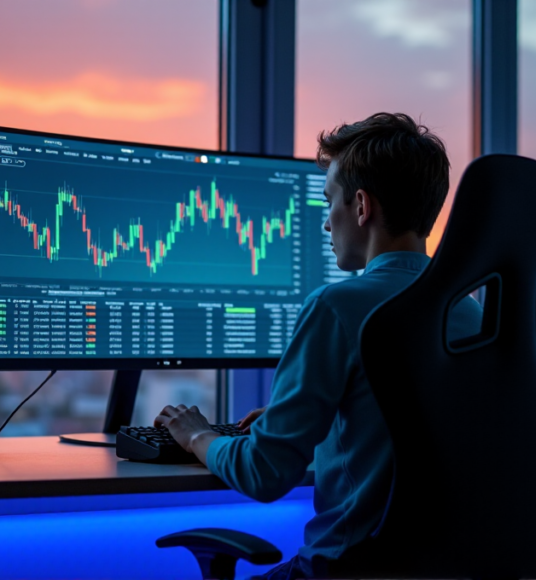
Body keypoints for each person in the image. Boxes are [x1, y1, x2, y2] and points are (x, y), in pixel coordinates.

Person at [154, 112, 483, 579]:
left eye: (330, 202)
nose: (327, 224)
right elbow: (407, 429)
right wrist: (311, 421)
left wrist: (197, 436)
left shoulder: (338, 306)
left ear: (362, 206)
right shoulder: (470, 312)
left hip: (344, 570)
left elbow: (264, 473)